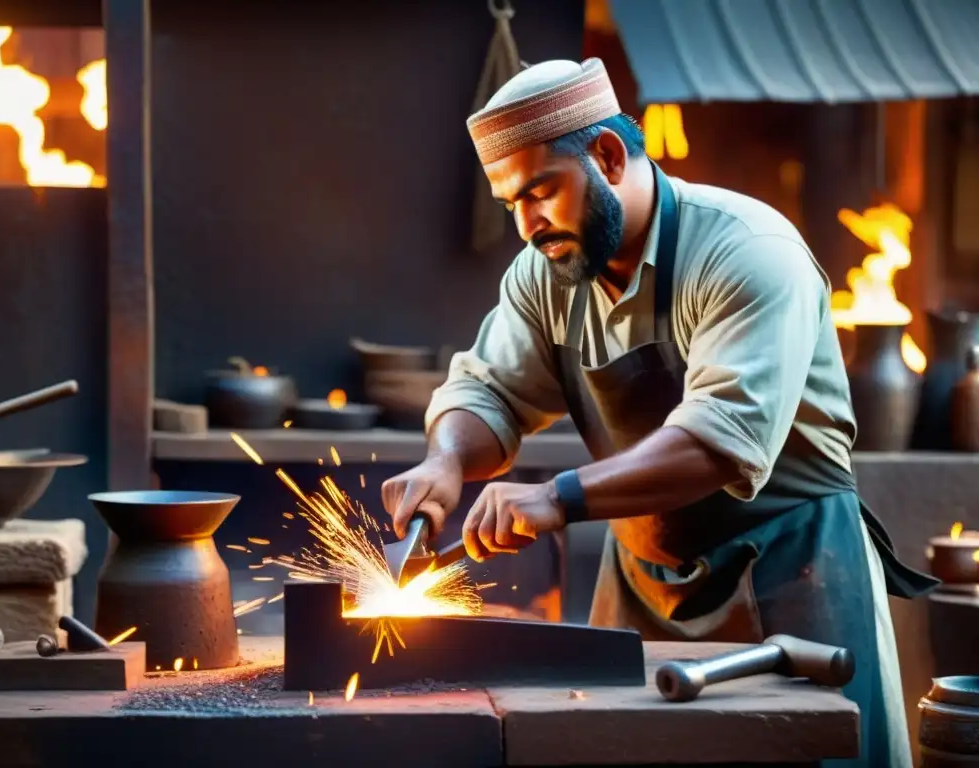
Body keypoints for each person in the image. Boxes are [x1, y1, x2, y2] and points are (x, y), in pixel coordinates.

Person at [380, 58, 936, 767]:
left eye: (542, 191)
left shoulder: (748, 251)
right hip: (642, 579)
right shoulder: (545, 272)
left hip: (792, 567)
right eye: (509, 202)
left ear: (608, 156)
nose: (527, 224)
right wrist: (447, 459)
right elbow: (491, 393)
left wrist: (558, 498)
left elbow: (719, 442)